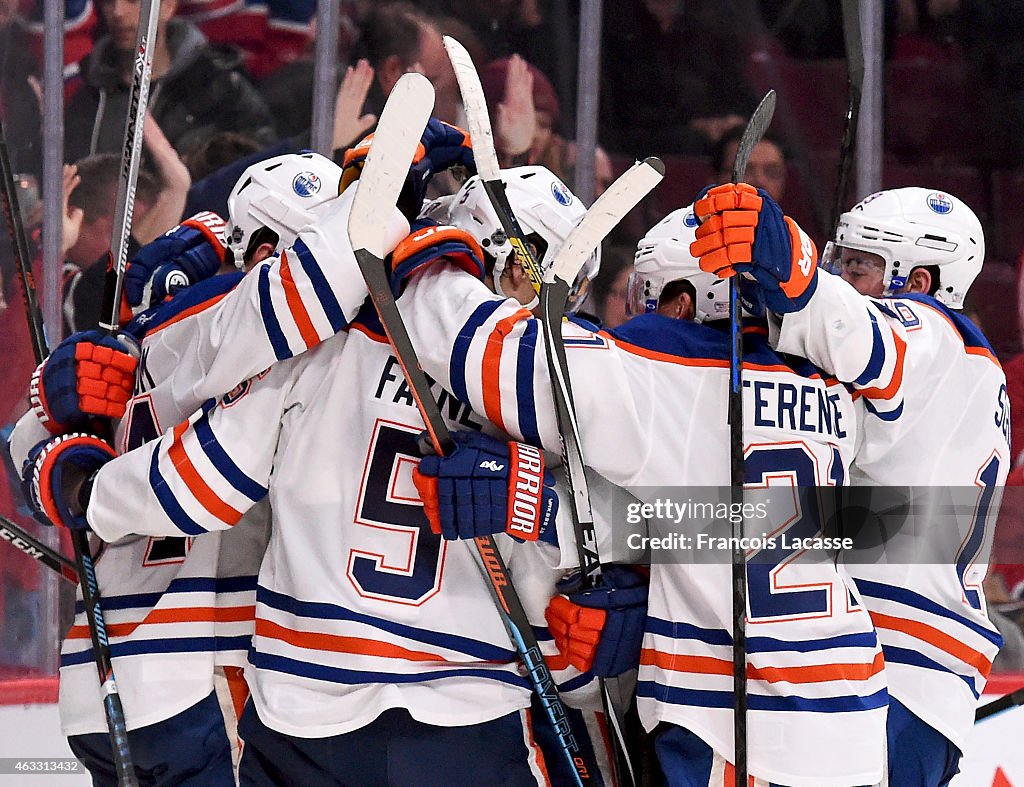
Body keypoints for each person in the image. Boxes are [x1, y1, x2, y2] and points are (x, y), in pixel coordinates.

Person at [23, 128, 608, 785]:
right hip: (459, 712)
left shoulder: (310, 337)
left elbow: (204, 475)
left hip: (292, 712)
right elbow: (645, 516)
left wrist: (83, 486)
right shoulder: (560, 380)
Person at [397, 184, 911, 783]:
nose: (638, 321)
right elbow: (731, 517)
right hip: (853, 712)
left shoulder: (667, 373)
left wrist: (430, 266)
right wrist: (556, 515)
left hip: (736, 730)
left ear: (683, 301)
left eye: (651, 301)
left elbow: (498, 357)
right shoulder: (835, 391)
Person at [13, 150, 410, 785]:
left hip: (104, 674)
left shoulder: (135, 331)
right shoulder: (258, 325)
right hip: (208, 666)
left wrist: (65, 470)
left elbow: (28, 451)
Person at [699, 184, 1007, 785]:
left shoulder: (934, 335)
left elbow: (856, 330)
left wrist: (790, 264)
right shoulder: (960, 369)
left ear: (917, 283)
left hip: (896, 663)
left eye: (858, 266)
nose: (841, 274)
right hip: (916, 672)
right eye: (838, 259)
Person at [64, 0, 276, 163]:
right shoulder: (89, 94)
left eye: (132, 1)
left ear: (167, 5)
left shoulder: (219, 90)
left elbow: (259, 171)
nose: (117, 12)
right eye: (109, 1)